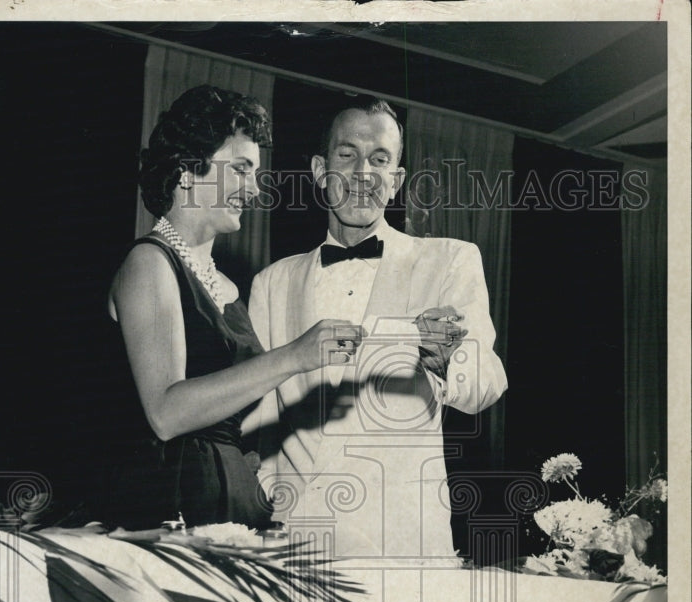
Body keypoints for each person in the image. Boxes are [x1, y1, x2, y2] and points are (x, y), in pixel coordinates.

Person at [91, 86, 362, 531]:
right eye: (240, 170)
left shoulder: (231, 290)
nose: (254, 190)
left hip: (232, 508)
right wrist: (294, 356)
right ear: (186, 172)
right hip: (165, 511)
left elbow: (233, 408)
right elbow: (166, 413)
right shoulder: (149, 263)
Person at [247, 96, 508, 558]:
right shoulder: (271, 283)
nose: (363, 173)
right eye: (347, 155)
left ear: (396, 181)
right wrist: (271, 498)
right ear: (319, 170)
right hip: (295, 537)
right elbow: (259, 415)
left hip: (404, 540)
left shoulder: (450, 260)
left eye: (380, 159)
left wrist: (450, 359)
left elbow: (488, 382)